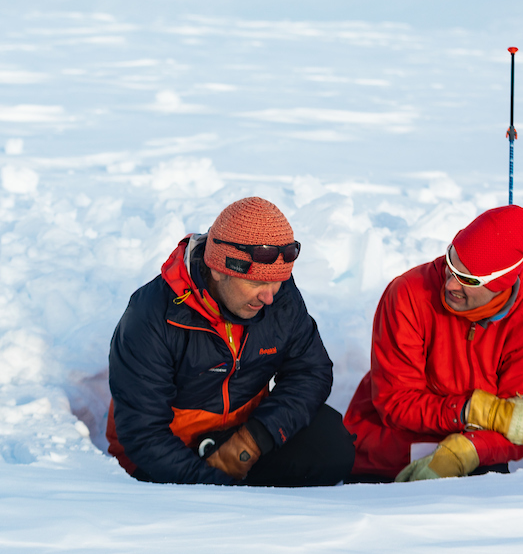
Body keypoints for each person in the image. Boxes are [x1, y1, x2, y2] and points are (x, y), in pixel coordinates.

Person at [107, 196, 355, 486]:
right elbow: (143, 433)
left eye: (277, 281)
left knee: (331, 444)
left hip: (240, 437)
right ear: (217, 270)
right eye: (257, 283)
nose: (269, 296)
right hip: (167, 451)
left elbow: (311, 372)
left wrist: (253, 440)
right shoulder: (153, 315)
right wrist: (219, 488)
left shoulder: (280, 296)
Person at [343, 205, 523, 482]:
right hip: (386, 454)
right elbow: (395, 402)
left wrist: (463, 451)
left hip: (474, 460)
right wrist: (473, 410)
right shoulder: (409, 293)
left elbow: (521, 426)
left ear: (502, 284)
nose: (450, 284)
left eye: (467, 280)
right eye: (450, 262)